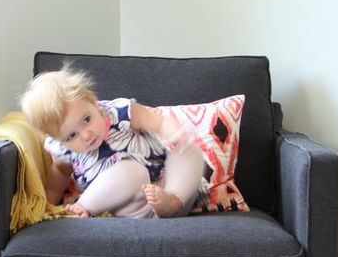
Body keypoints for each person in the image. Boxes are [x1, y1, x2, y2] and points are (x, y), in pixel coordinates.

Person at [20, 66, 204, 219]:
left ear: (93, 102)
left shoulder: (120, 112)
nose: (86, 135)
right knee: (131, 171)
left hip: (171, 186)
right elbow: (57, 177)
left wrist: (175, 133)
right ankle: (85, 206)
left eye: (86, 120)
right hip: (133, 210)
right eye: (71, 136)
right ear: (58, 140)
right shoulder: (62, 151)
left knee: (188, 151)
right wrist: (47, 204)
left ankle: (172, 201)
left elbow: (159, 121)